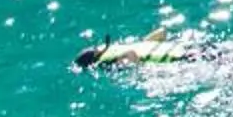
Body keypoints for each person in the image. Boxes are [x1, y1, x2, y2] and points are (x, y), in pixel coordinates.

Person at [74, 23, 206, 69]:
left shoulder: (106, 62)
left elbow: (131, 54)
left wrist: (140, 67)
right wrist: (144, 42)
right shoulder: (135, 44)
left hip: (185, 58)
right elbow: (162, 32)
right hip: (189, 48)